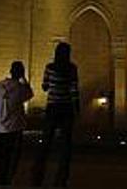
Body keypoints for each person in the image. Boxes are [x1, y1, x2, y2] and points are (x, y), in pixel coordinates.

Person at [31, 42, 80, 187]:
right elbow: (74, 90)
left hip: (52, 107)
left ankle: (37, 175)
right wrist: (77, 109)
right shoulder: (72, 68)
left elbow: (45, 87)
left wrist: (51, 84)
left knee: (46, 142)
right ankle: (61, 179)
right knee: (65, 146)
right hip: (66, 108)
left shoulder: (50, 68)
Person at [0, 61, 34, 186]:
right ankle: (7, 181)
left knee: (1, 157)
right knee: (12, 158)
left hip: (0, 128)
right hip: (14, 128)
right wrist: (24, 80)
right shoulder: (20, 88)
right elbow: (30, 94)